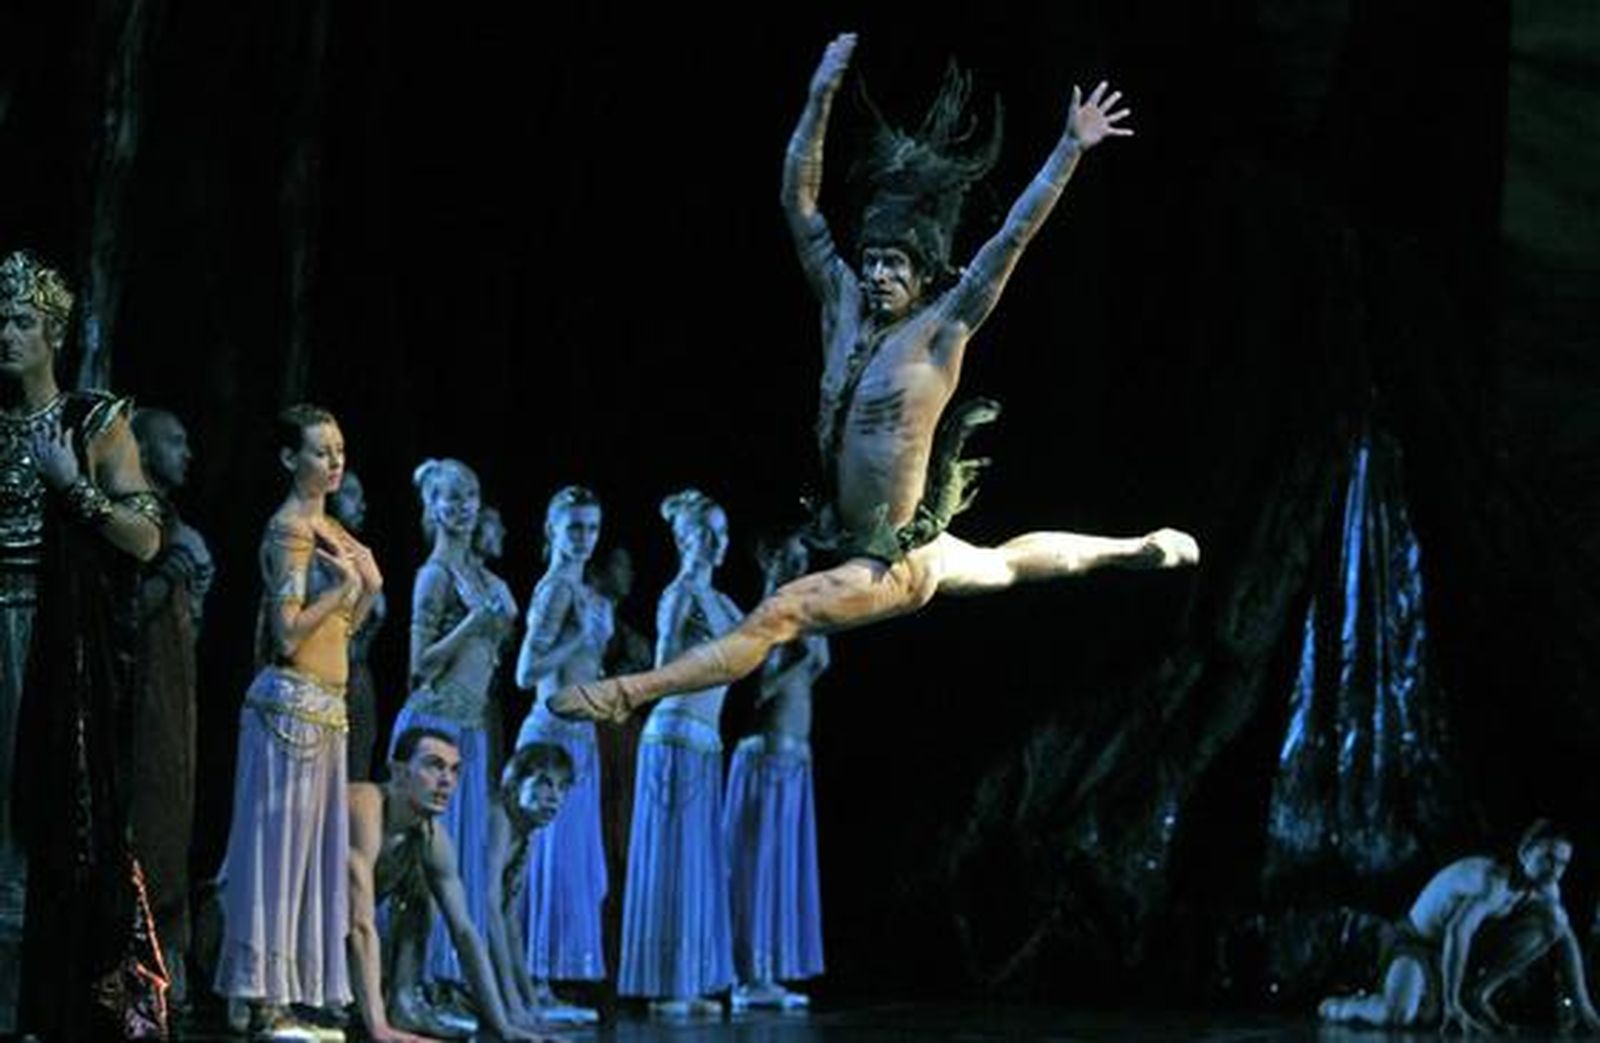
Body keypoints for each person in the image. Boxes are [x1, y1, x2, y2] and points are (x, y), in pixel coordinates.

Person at [551, 33, 1197, 725]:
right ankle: (1137, 549)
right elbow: (798, 201)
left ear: (921, 280)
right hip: (873, 535)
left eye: (896, 266)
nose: (879, 273)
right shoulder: (842, 305)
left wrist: (1069, 149)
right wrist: (821, 95)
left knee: (780, 612)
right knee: (1002, 565)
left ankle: (628, 693)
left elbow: (1011, 239)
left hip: (895, 561)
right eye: (874, 260)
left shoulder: (942, 330)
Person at [0, 249, 167, 1037]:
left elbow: (145, 539)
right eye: (0, 320)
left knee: (49, 812)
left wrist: (73, 487)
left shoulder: (93, 420)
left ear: (53, 333)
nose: (6, 333)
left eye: (22, 321)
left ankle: (40, 1004)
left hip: (53, 645)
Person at [214, 403, 382, 1038]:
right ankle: (263, 1003)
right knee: (276, 859)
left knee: (308, 861)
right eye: (319, 450)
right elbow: (286, 633)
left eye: (338, 449)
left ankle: (290, 997)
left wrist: (363, 591)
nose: (334, 460)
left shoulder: (333, 529)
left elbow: (346, 629)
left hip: (326, 708)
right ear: (290, 459)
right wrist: (345, 591)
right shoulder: (289, 530)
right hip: (288, 705)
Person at [388, 459, 517, 993]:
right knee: (419, 870)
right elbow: (419, 663)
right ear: (433, 506)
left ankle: (439, 984)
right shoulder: (434, 575)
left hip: (470, 729)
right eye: (453, 497)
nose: (464, 506)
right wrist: (474, 622)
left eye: (471, 496)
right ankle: (403, 989)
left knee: (456, 869)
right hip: (434, 723)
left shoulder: (480, 576)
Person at [347, 726, 548, 1042]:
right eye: (434, 765)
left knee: (423, 886)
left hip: (337, 931)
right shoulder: (366, 805)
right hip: (292, 924)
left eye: (454, 771)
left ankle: (404, 1000)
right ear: (398, 771)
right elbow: (359, 924)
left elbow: (466, 933)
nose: (447, 781)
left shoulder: (432, 836)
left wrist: (504, 1028)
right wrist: (378, 1028)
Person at [617, 490, 737, 1016]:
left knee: (697, 862)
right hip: (675, 734)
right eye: (704, 532)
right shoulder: (681, 593)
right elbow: (664, 670)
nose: (714, 543)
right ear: (684, 538)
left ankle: (687, 980)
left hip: (705, 741)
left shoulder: (723, 601)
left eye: (721, 532)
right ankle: (669, 983)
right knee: (674, 861)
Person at [1317, 821, 1600, 1033]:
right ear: (1525, 852)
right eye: (1548, 857)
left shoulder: (1546, 888)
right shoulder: (1491, 880)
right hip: (1418, 943)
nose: (1555, 869)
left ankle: (1478, 994)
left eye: (1563, 863)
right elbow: (1457, 931)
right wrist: (1452, 1005)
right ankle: (1341, 1006)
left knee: (1556, 920)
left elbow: (1566, 937)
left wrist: (1583, 1005)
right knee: (1398, 1016)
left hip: (1463, 952)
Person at [512, 486, 610, 1023]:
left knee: (570, 867)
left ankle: (541, 983)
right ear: (552, 530)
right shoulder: (554, 589)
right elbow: (527, 673)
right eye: (574, 527)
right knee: (543, 864)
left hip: (579, 739)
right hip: (550, 737)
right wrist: (581, 639)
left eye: (592, 528)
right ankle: (532, 984)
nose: (584, 539)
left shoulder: (582, 589)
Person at [130, 406, 215, 1009]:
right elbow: (121, 615)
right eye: (175, 440)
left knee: (174, 816)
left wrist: (192, 584)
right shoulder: (129, 517)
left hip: (176, 691)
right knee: (147, 819)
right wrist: (171, 571)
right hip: (139, 698)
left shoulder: (173, 520)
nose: (187, 452)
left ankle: (164, 966)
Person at [724, 533, 829, 1010]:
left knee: (779, 866)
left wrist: (814, 660)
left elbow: (807, 675)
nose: (799, 565)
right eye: (789, 557)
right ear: (768, 556)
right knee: (757, 868)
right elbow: (758, 690)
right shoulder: (767, 615)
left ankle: (768, 969)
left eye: (803, 559)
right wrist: (804, 662)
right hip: (764, 751)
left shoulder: (798, 613)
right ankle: (749, 975)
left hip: (792, 753)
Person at [484, 741, 577, 1031]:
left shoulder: (526, 832)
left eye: (562, 788)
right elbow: (487, 909)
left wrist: (531, 1006)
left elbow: (509, 923)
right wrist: (512, 1006)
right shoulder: (499, 815)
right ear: (516, 782)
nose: (555, 798)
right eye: (544, 784)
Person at [328, 468, 387, 783]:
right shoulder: (313, 557)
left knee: (355, 777)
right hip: (325, 681)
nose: (362, 505)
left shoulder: (361, 557)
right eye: (351, 495)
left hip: (359, 681)